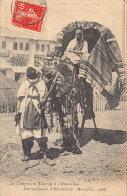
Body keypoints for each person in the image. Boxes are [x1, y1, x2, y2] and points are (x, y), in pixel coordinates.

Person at [15, 65, 48, 161]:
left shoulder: (41, 83)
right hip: (25, 108)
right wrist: (18, 111)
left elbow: (43, 96)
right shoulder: (25, 83)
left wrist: (38, 99)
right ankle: (27, 154)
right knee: (25, 133)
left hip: (37, 109)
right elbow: (20, 97)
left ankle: (44, 153)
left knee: (40, 132)